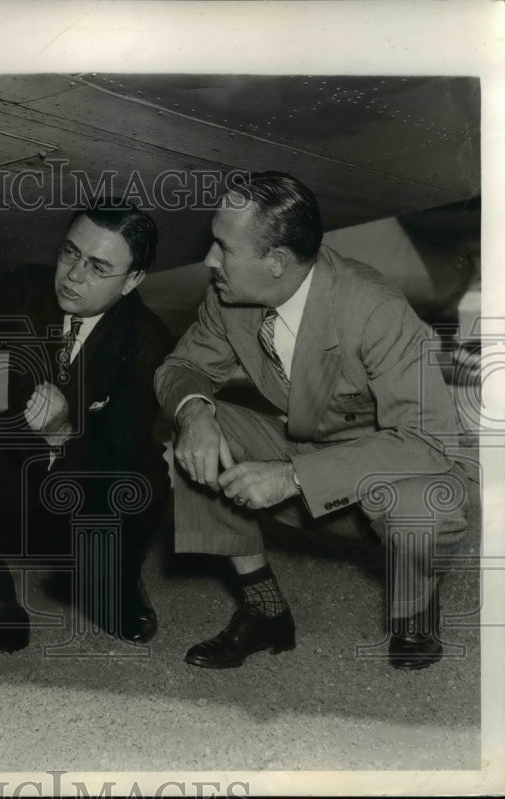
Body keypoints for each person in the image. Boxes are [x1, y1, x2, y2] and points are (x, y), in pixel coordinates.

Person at [155, 171, 477, 671]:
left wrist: (289, 477)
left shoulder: (374, 309)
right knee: (193, 439)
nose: (209, 260)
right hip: (306, 449)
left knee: (421, 511)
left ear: (277, 262)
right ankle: (265, 613)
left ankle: (415, 611)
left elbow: (428, 439)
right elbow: (182, 367)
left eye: (223, 247)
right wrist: (195, 411)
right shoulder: (229, 296)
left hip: (394, 471)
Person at [0, 203, 175, 668]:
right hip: (25, 475)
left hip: (96, 490)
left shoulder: (149, 341)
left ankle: (114, 583)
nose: (72, 275)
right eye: (70, 253)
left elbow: (120, 457)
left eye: (97, 267)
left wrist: (62, 434)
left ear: (131, 281)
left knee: (146, 478)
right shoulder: (31, 287)